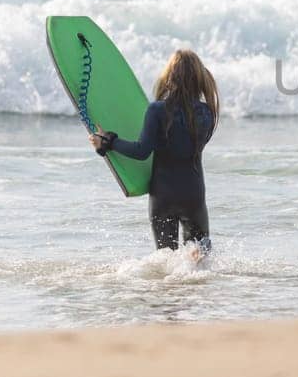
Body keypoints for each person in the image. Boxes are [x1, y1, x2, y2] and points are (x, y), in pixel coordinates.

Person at [90, 49, 219, 255]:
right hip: (193, 194)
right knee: (200, 257)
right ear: (198, 77)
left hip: (163, 195)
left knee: (166, 260)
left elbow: (141, 151)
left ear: (170, 76)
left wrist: (109, 141)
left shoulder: (157, 110)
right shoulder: (208, 112)